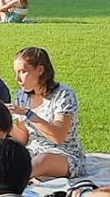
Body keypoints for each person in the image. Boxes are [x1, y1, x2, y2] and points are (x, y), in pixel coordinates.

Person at [8, 47, 86, 179]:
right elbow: (23, 138)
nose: (17, 78)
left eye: (23, 72)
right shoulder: (21, 96)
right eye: (16, 72)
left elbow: (58, 136)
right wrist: (5, 122)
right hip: (31, 152)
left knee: (42, 161)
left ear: (40, 70)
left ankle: (12, 183)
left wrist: (28, 114)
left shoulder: (63, 94)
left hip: (63, 154)